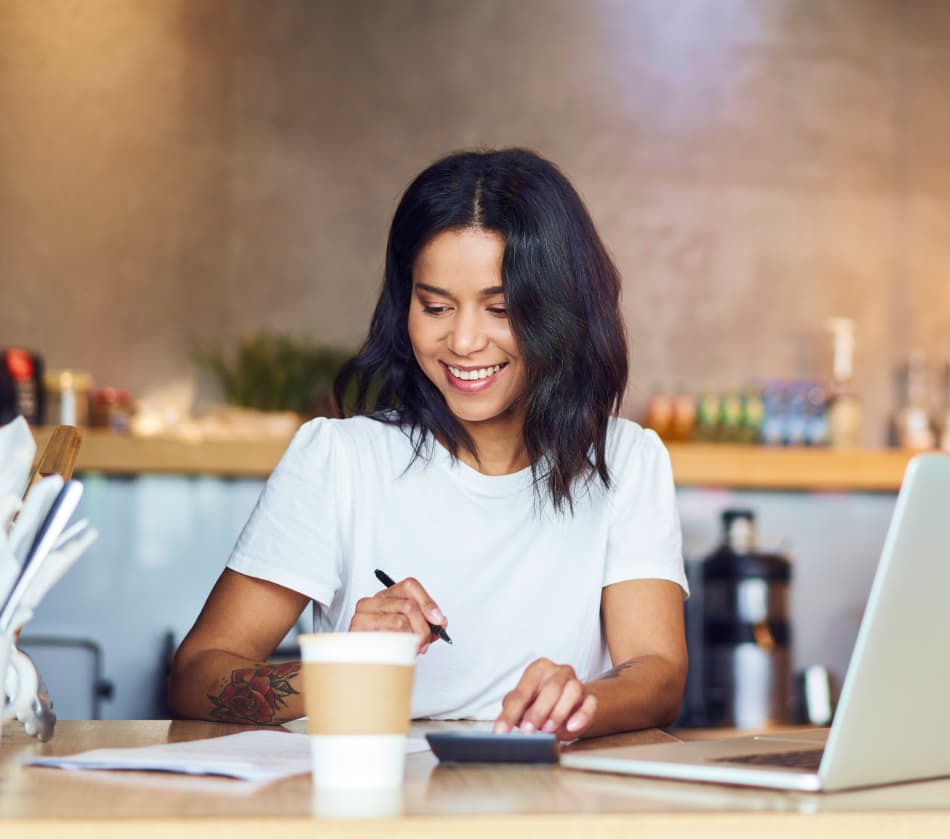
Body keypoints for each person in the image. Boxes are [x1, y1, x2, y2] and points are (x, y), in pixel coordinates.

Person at [168, 148, 688, 740]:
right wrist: (347, 668)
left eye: (500, 309)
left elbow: (659, 674)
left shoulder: (624, 461)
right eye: (435, 306)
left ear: (562, 310)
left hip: (550, 810)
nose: (463, 341)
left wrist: (579, 703)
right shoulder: (339, 459)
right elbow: (194, 675)